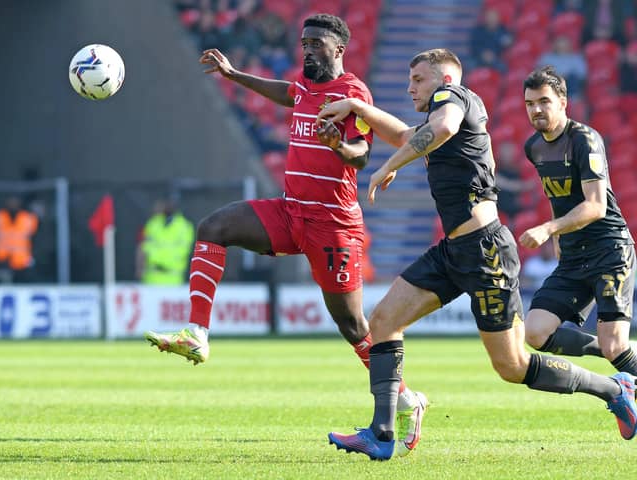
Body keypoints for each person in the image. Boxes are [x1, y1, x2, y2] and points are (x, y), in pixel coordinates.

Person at [315, 49, 637, 460]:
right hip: (454, 250)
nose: (410, 87)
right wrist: (360, 107)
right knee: (382, 321)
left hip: (486, 251)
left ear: (445, 80)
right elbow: (407, 135)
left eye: (418, 78)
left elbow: (442, 127)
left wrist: (387, 166)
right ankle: (383, 432)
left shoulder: (452, 100)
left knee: (513, 366)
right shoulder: (446, 111)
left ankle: (614, 388)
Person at [144, 14, 427, 457]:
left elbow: (361, 155)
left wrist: (338, 144)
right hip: (291, 210)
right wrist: (234, 75)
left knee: (353, 327)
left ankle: (406, 399)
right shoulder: (304, 86)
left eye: (317, 43)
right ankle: (198, 332)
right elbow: (287, 94)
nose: (308, 49)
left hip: (332, 225)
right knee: (214, 227)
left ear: (338, 49)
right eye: (304, 43)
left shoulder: (352, 94)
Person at [519, 66, 637, 376]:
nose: (536, 110)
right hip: (573, 255)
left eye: (544, 101)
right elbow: (559, 198)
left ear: (562, 101)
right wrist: (560, 238)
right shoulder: (534, 147)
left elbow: (596, 206)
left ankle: (619, 353)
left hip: (609, 251)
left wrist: (548, 229)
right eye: (530, 104)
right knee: (535, 332)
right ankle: (619, 353)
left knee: (615, 346)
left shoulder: (585, 140)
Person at [136, 199, 195, 285]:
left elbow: (181, 252)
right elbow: (143, 247)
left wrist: (155, 256)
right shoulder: (153, 223)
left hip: (173, 278)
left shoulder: (185, 226)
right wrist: (140, 267)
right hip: (151, 277)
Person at [0, 195, 39, 283]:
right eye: (11, 201)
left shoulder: (28, 218)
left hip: (22, 260)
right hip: (2, 259)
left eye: (15, 202)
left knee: (24, 285)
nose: (13, 204)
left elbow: (37, 238)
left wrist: (33, 255)